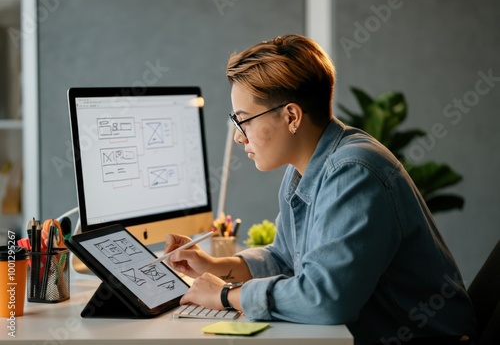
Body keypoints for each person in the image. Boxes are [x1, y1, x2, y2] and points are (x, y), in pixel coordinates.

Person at [164, 34, 477, 345]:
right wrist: (216, 266)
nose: (238, 137)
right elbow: (286, 259)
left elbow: (326, 299)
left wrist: (225, 295)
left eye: (243, 121)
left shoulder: (353, 172)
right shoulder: (305, 168)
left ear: (291, 116)